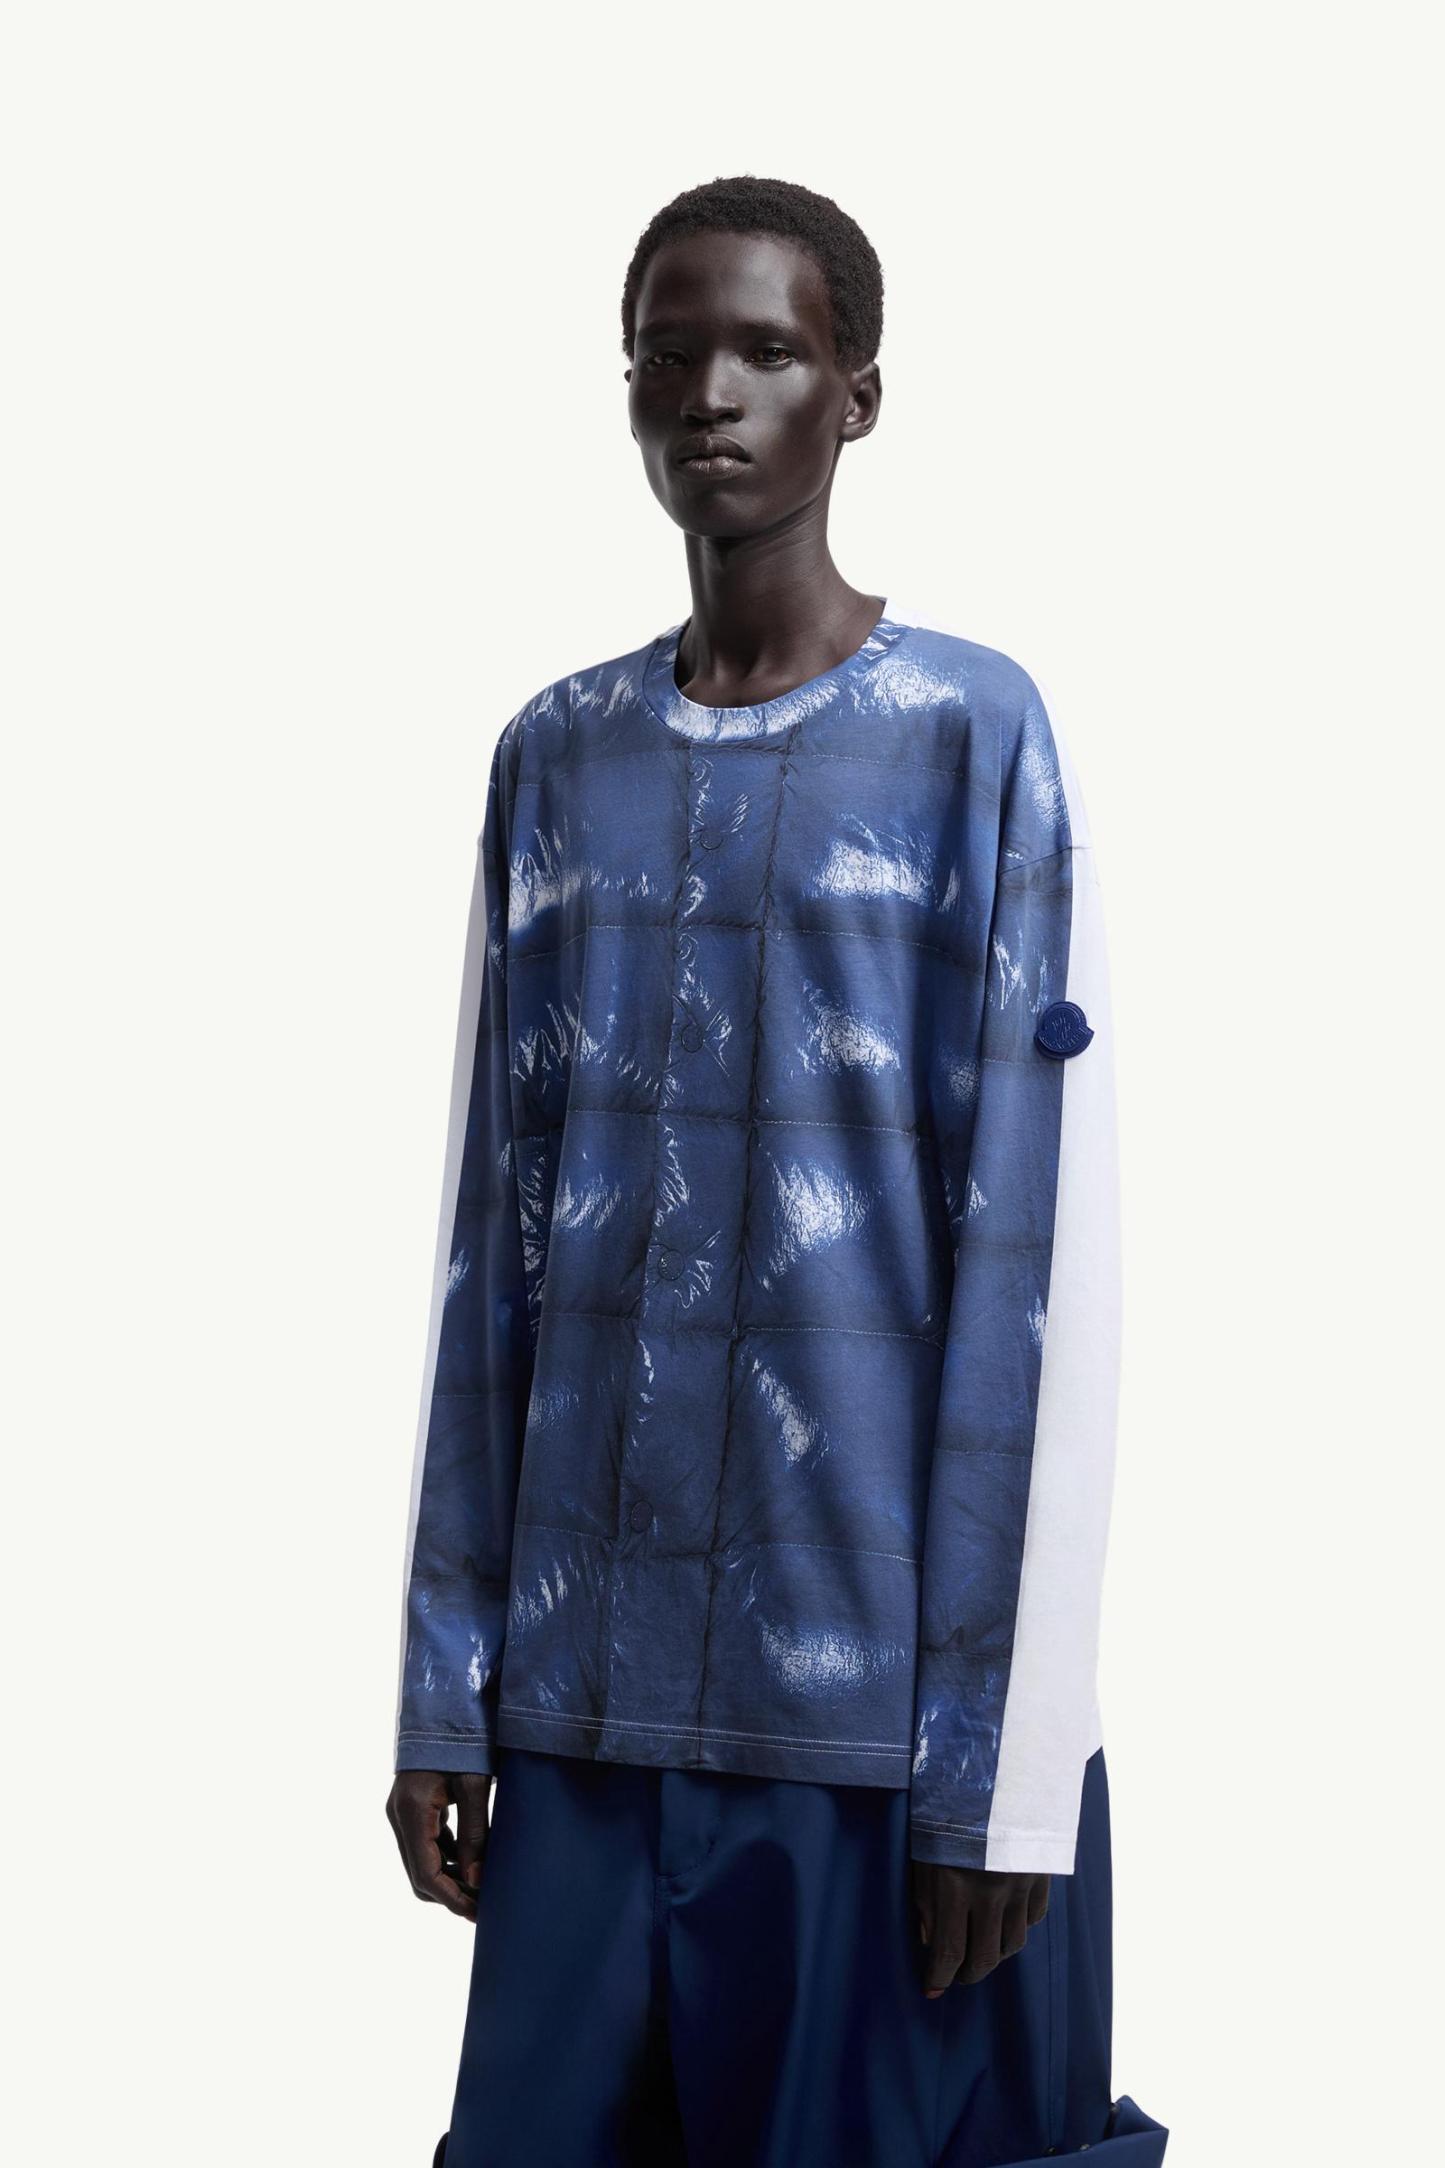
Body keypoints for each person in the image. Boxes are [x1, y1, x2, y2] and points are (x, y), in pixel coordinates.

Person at [385, 173, 1168, 2168]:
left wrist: (1001, 1768)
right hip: (582, 1696)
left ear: (858, 395)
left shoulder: (972, 739)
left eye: (766, 351)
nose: (710, 394)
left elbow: (1041, 1261)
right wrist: (447, 1684)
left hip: (867, 1715)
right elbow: (492, 1250)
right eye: (668, 352)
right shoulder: (554, 758)